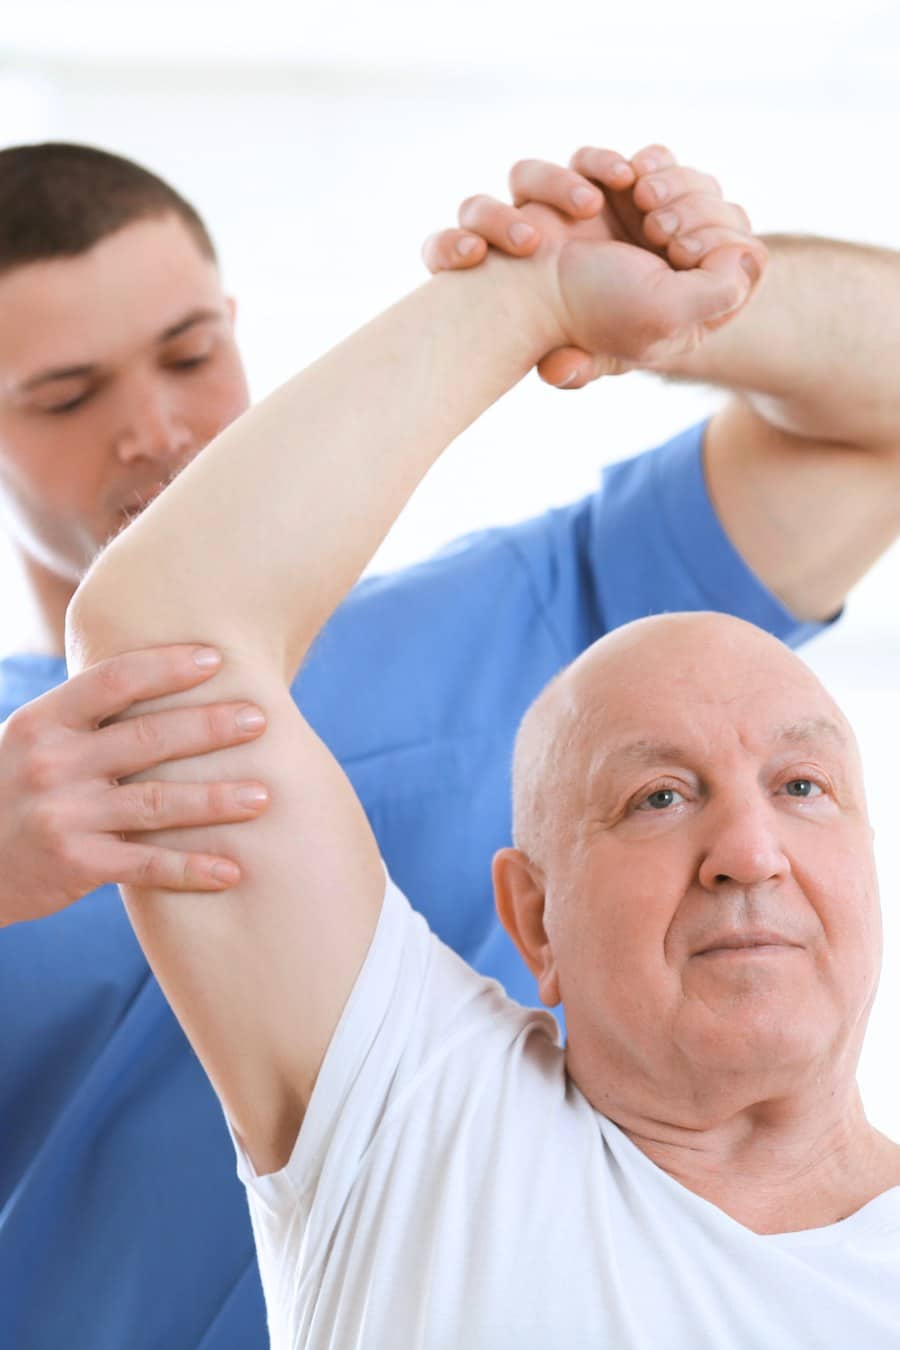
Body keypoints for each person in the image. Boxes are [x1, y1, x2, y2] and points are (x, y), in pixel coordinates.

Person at [0, 136, 894, 1347]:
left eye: (190, 352)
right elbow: (163, 627)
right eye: (64, 395)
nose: (151, 428)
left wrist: (675, 290)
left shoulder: (531, 625)